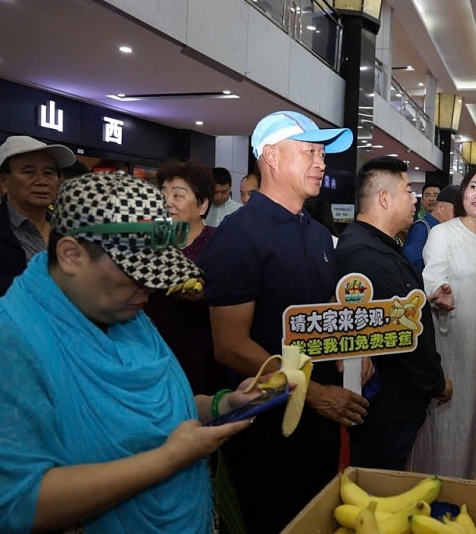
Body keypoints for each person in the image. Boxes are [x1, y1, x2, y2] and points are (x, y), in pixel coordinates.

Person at [0, 171, 263, 533]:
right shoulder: (13, 339)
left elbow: (162, 411)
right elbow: (20, 503)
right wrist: (168, 459)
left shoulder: (125, 313)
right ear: (72, 255)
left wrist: (222, 405)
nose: (150, 289)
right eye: (136, 273)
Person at [196, 110, 370, 534]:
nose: (321, 162)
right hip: (265, 429)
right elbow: (231, 345)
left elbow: (325, 306)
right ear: (270, 156)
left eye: (323, 152)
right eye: (309, 150)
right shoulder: (239, 236)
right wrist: (312, 392)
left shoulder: (314, 231)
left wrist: (354, 349)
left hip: (321, 424)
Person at [335, 156, 453, 470]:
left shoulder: (380, 246)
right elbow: (402, 343)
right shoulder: (366, 255)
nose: (415, 199)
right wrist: (437, 384)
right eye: (407, 190)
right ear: (385, 199)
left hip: (395, 403)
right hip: (388, 406)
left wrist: (424, 300)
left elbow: (388, 311)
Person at [408, 165, 476, 479]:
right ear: (463, 191)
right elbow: (431, 280)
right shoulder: (444, 233)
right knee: (444, 420)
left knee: (474, 419)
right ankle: (431, 484)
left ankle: (465, 483)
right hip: (449, 340)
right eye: (474, 187)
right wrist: (439, 292)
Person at [144, 159, 229, 395]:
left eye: (178, 196)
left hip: (202, 354)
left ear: (202, 205)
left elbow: (232, 292)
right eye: (162, 195)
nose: (167, 203)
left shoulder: (220, 242)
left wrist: (206, 295)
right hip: (153, 352)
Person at [0, 135, 76, 297]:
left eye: (49, 172)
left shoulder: (72, 228)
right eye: (29, 172)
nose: (42, 181)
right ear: (3, 182)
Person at [403, 184, 458, 271]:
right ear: (441, 208)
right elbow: (413, 263)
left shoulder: (448, 228)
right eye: (457, 211)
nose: (460, 217)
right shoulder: (421, 228)